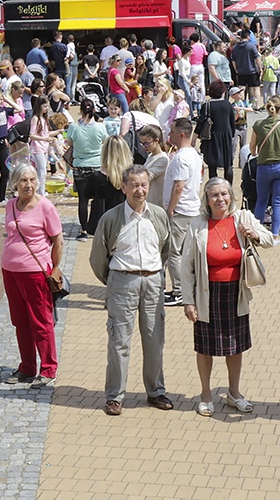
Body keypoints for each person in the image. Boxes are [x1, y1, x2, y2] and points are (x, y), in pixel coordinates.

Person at [180, 177, 272, 416]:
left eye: (224, 194)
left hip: (235, 292)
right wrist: (188, 300)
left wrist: (254, 233)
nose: (220, 199)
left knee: (235, 347)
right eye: (214, 195)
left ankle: (234, 392)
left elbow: (270, 240)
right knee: (205, 347)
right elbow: (186, 266)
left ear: (231, 196)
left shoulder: (242, 217)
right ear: (207, 200)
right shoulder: (197, 224)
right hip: (206, 293)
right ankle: (206, 394)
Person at [90, 164, 172, 416]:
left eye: (144, 184)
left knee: (154, 340)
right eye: (134, 185)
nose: (140, 190)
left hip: (152, 282)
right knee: (119, 341)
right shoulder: (111, 218)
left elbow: (166, 250)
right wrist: (114, 281)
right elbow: (98, 258)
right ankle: (115, 396)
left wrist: (156, 274)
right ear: (123, 187)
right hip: (122, 281)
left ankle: (155, 391)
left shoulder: (158, 215)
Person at [2, 163, 64, 388]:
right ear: (15, 184)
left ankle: (48, 368)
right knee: (20, 321)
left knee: (41, 321)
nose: (28, 185)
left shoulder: (45, 206)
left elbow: (58, 239)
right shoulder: (10, 205)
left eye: (32, 180)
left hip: (35, 272)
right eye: (23, 181)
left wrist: (56, 266)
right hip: (10, 271)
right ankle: (27, 367)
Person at [164, 117, 203, 306]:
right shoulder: (194, 154)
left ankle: (179, 291)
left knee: (174, 252)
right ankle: (188, 288)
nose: (169, 134)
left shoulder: (181, 157)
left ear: (181, 134)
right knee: (186, 252)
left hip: (180, 211)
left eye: (171, 131)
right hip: (191, 208)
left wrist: (170, 209)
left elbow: (179, 186)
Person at [249, 96, 280, 238]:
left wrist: (256, 152)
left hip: (264, 166)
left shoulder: (258, 125)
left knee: (261, 200)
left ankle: (258, 232)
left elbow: (252, 148)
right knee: (278, 202)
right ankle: (274, 234)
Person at [66, 98, 108, 239]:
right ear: (94, 110)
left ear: (80, 111)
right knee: (99, 198)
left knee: (83, 200)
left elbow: (69, 142)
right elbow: (105, 141)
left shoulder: (73, 127)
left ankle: (84, 229)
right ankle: (97, 226)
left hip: (79, 165)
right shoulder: (100, 127)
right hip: (97, 165)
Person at [88, 136, 132, 231]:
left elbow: (87, 194)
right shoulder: (131, 175)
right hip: (125, 219)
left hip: (102, 221)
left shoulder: (96, 176)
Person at [194, 82, 235, 183]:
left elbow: (200, 123)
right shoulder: (227, 104)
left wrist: (193, 139)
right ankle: (229, 188)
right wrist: (231, 136)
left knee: (212, 166)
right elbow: (232, 122)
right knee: (228, 165)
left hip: (211, 137)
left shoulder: (207, 105)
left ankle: (214, 186)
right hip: (226, 136)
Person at [28, 94, 59, 196]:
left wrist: (58, 132)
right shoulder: (35, 118)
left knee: (42, 171)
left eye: (47, 106)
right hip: (37, 148)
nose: (47, 108)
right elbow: (31, 135)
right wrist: (45, 139)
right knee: (42, 172)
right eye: (45, 106)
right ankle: (41, 194)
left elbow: (45, 133)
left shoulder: (44, 119)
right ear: (39, 106)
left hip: (44, 147)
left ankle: (38, 192)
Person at [138, 124, 168, 209]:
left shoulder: (163, 159)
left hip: (156, 204)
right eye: (142, 144)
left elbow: (148, 176)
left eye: (147, 143)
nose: (144, 147)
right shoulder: (150, 155)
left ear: (157, 140)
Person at [231, 29, 262, 110]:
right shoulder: (251, 46)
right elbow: (257, 58)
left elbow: (233, 60)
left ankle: (242, 105)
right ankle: (257, 106)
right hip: (252, 71)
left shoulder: (235, 47)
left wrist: (236, 69)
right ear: (248, 36)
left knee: (241, 89)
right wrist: (260, 68)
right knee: (256, 88)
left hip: (241, 71)